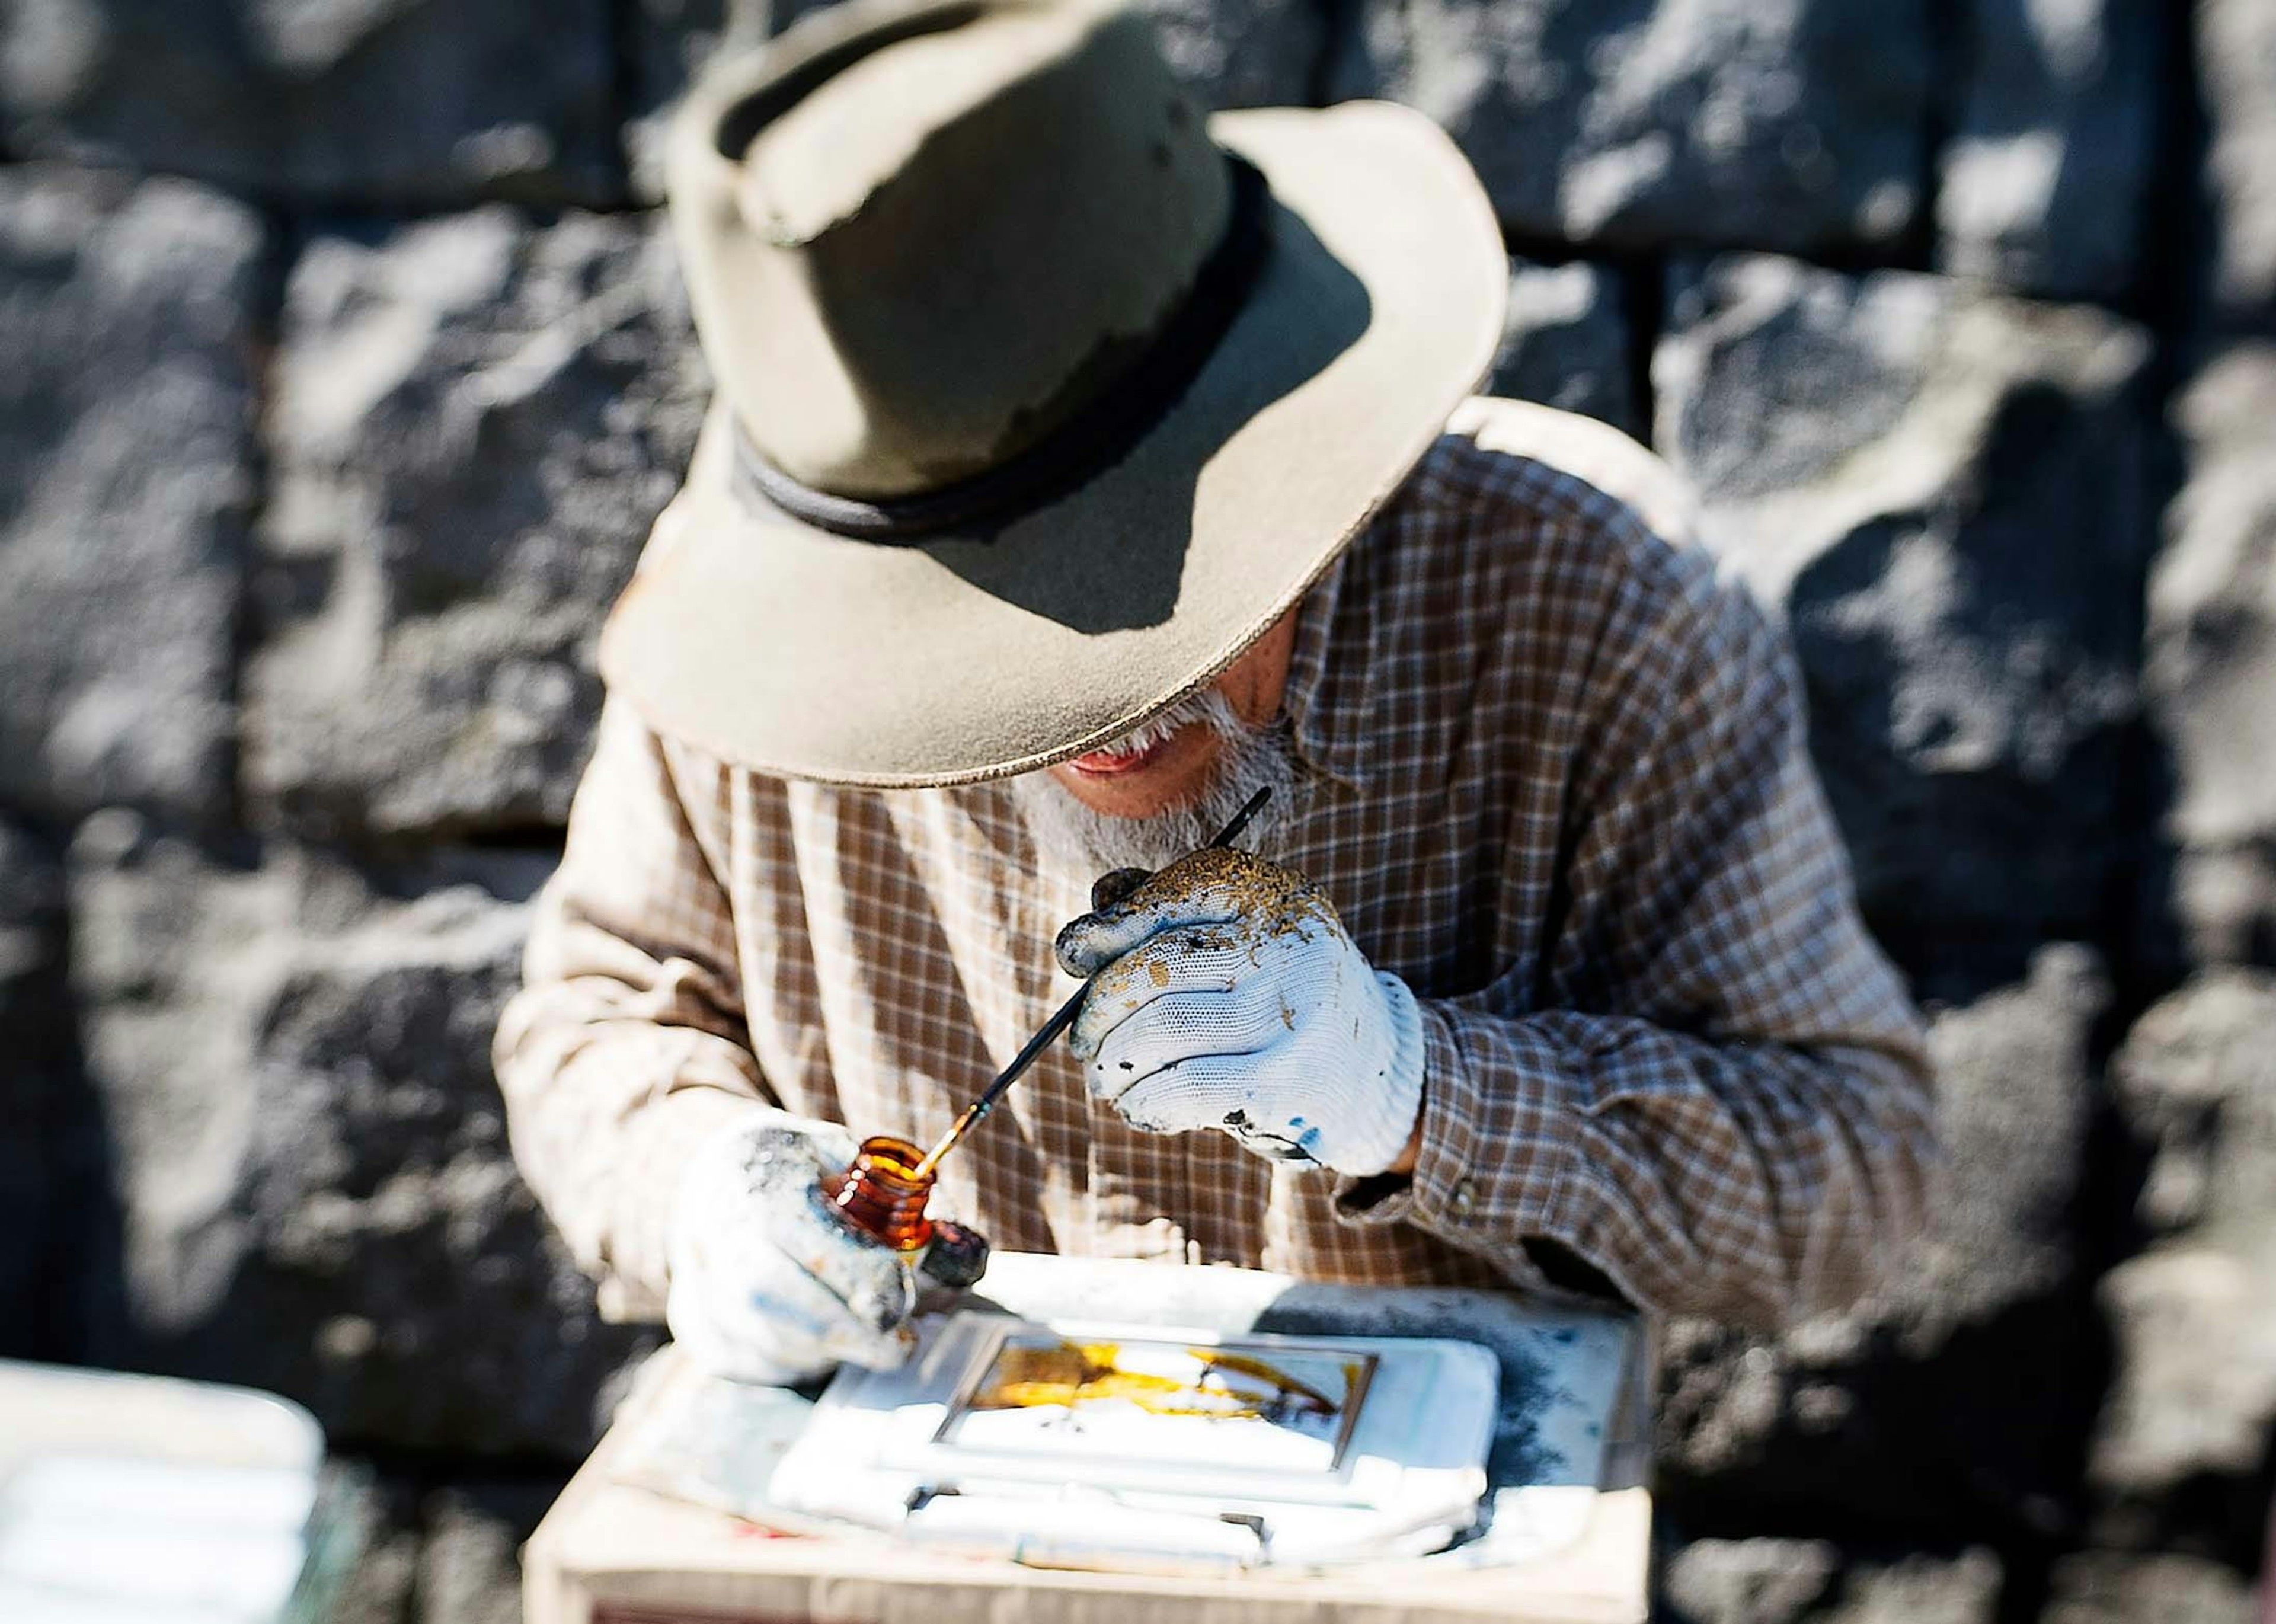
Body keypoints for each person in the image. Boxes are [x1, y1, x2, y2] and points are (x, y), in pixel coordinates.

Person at [493, 0, 1936, 1387]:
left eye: (1148, 593)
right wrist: (697, 1184)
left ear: (1297, 456)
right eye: (993, 622)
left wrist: (1420, 1089)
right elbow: (595, 1020)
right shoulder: (749, 628)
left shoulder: (1596, 592)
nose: (1093, 708)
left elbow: (1853, 1175)